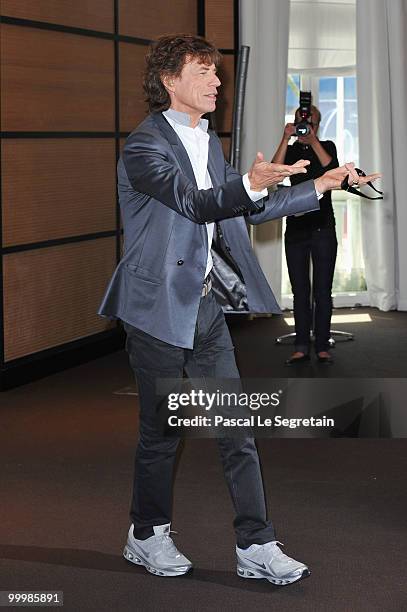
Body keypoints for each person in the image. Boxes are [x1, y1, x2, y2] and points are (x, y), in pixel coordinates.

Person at [98, 34, 378, 586]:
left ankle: (257, 543)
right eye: (203, 72)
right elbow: (197, 204)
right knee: (162, 432)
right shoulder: (144, 147)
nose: (217, 82)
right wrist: (249, 182)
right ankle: (146, 532)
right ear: (169, 81)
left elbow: (242, 209)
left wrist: (321, 183)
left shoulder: (208, 141)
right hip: (154, 307)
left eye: (217, 73)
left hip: (204, 307)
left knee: (235, 427)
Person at [272, 105, 339, 365]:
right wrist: (285, 137)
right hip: (297, 228)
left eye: (309, 122)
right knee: (300, 290)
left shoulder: (328, 146)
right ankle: (301, 345)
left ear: (317, 124)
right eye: (300, 121)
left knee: (323, 290)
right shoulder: (291, 150)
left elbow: (331, 167)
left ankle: (322, 345)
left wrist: (313, 141)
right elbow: (275, 172)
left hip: (323, 227)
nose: (304, 125)